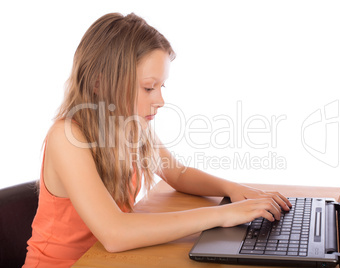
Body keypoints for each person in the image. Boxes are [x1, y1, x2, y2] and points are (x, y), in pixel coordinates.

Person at [23, 12, 292, 267]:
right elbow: (115, 233)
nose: (160, 100)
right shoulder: (67, 136)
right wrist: (222, 215)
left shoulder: (131, 126)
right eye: (148, 87)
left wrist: (233, 190)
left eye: (161, 87)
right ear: (99, 82)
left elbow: (177, 174)